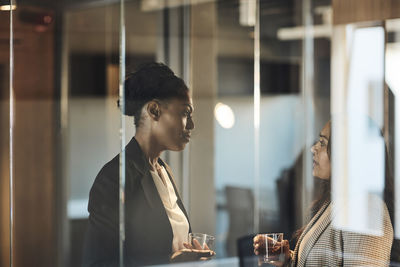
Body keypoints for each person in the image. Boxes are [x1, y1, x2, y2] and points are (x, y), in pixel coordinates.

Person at [83, 63, 214, 267]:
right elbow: (99, 263)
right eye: (185, 113)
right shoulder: (114, 178)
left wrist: (189, 257)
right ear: (154, 110)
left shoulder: (163, 171)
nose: (191, 125)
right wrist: (169, 262)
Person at [253, 121, 394, 267]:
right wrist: (288, 259)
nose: (313, 148)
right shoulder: (338, 202)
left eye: (322, 143)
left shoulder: (366, 209)